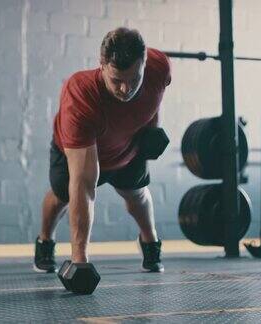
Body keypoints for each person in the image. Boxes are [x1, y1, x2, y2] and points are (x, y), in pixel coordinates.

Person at [33, 27, 171, 274]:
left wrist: (153, 127)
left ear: (145, 63)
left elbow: (154, 98)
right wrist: (80, 261)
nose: (125, 90)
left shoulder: (160, 67)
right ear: (102, 65)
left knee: (137, 196)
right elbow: (84, 184)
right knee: (61, 196)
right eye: (117, 81)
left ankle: (150, 242)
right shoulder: (81, 93)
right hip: (77, 151)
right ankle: (45, 242)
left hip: (127, 146)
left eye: (134, 80)